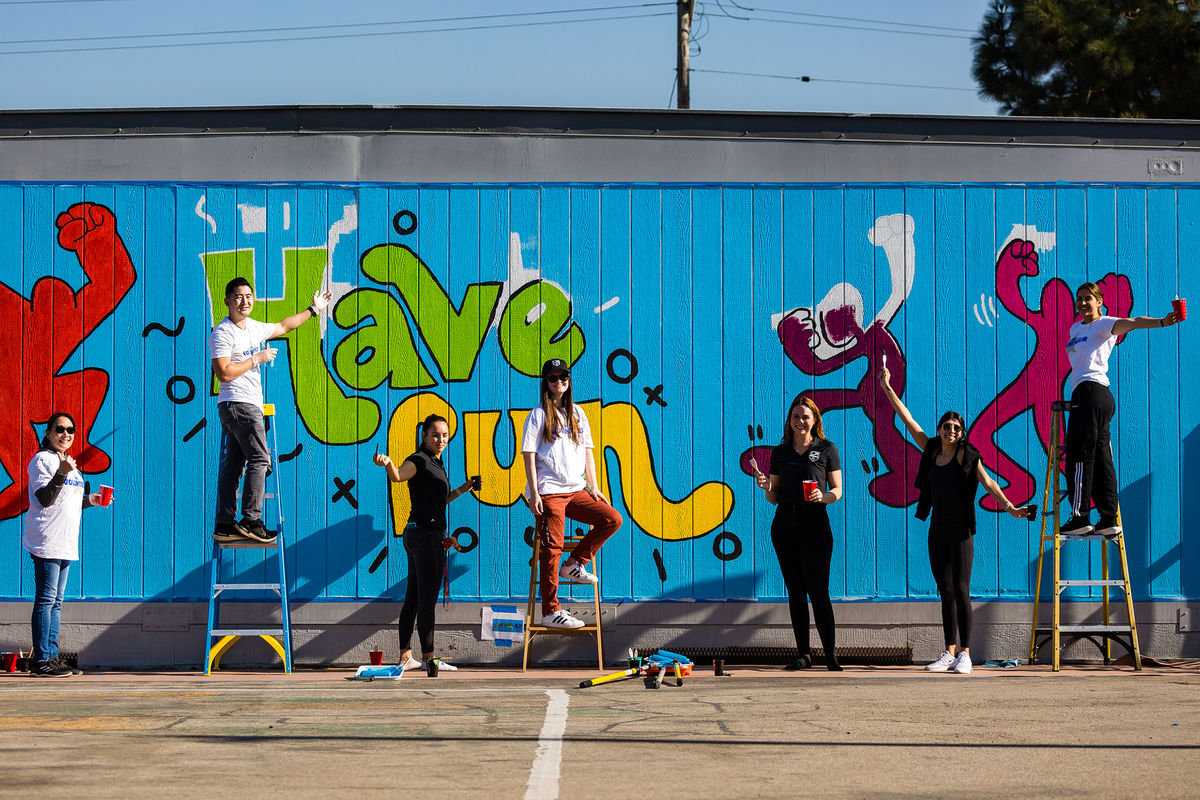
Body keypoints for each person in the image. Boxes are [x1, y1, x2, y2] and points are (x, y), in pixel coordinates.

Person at [879, 367, 1028, 675]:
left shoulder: (966, 455)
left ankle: (966, 655)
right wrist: (888, 388)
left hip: (961, 531)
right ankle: (948, 652)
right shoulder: (931, 449)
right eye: (946, 426)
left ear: (961, 433)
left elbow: (989, 483)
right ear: (940, 429)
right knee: (944, 589)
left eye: (956, 428)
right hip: (938, 529)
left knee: (961, 588)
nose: (951, 431)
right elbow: (908, 421)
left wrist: (1010, 508)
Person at [208, 277, 331, 544]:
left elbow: (284, 325)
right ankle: (251, 520)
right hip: (239, 405)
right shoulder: (223, 332)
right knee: (261, 460)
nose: (245, 301)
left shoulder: (253, 327)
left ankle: (225, 524)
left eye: (249, 296)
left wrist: (314, 310)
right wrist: (256, 359)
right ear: (227, 301)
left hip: (243, 406)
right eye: (239, 297)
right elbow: (224, 373)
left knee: (234, 466)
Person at [1061, 283, 1183, 536]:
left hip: (1092, 392)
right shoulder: (1076, 328)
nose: (1083, 303)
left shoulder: (1105, 324)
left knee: (1080, 454)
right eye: (1080, 299)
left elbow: (1133, 321)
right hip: (1088, 394)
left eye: (1088, 299)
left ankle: (1080, 517)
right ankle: (1108, 518)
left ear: (1099, 301)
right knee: (1102, 458)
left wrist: (1162, 322)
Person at [522, 358, 623, 629]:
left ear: (569, 381)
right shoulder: (538, 414)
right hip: (551, 492)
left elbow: (588, 452)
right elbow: (529, 456)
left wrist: (595, 486)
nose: (559, 382)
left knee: (612, 519)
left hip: (577, 490)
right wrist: (534, 493)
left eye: (563, 378)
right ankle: (550, 611)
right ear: (546, 382)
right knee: (551, 549)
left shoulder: (577, 413)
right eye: (553, 378)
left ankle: (575, 563)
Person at [374, 414, 479, 673]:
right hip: (425, 537)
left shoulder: (437, 463)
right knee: (426, 602)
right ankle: (430, 660)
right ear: (424, 436)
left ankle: (406, 657)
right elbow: (398, 476)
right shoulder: (419, 460)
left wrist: (464, 488)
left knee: (412, 599)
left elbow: (439, 501)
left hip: (420, 535)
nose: (440, 440)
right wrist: (387, 462)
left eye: (444, 435)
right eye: (435, 435)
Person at [754, 395, 844, 671]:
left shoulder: (826, 448)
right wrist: (766, 485)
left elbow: (838, 491)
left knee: (818, 591)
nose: (800, 421)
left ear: (815, 419)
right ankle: (803, 654)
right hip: (785, 525)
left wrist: (823, 496)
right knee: (795, 591)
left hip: (816, 524)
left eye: (806, 416)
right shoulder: (780, 452)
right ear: (789, 421)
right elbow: (774, 497)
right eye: (796, 416)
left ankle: (830, 654)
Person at [24, 413, 111, 677]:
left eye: (70, 430)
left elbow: (68, 502)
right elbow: (46, 499)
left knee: (57, 602)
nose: (66, 434)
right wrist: (62, 472)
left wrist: (92, 500)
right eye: (59, 429)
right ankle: (41, 661)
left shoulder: (70, 465)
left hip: (65, 542)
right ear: (48, 433)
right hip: (47, 539)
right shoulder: (42, 460)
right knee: (46, 599)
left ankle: (51, 656)